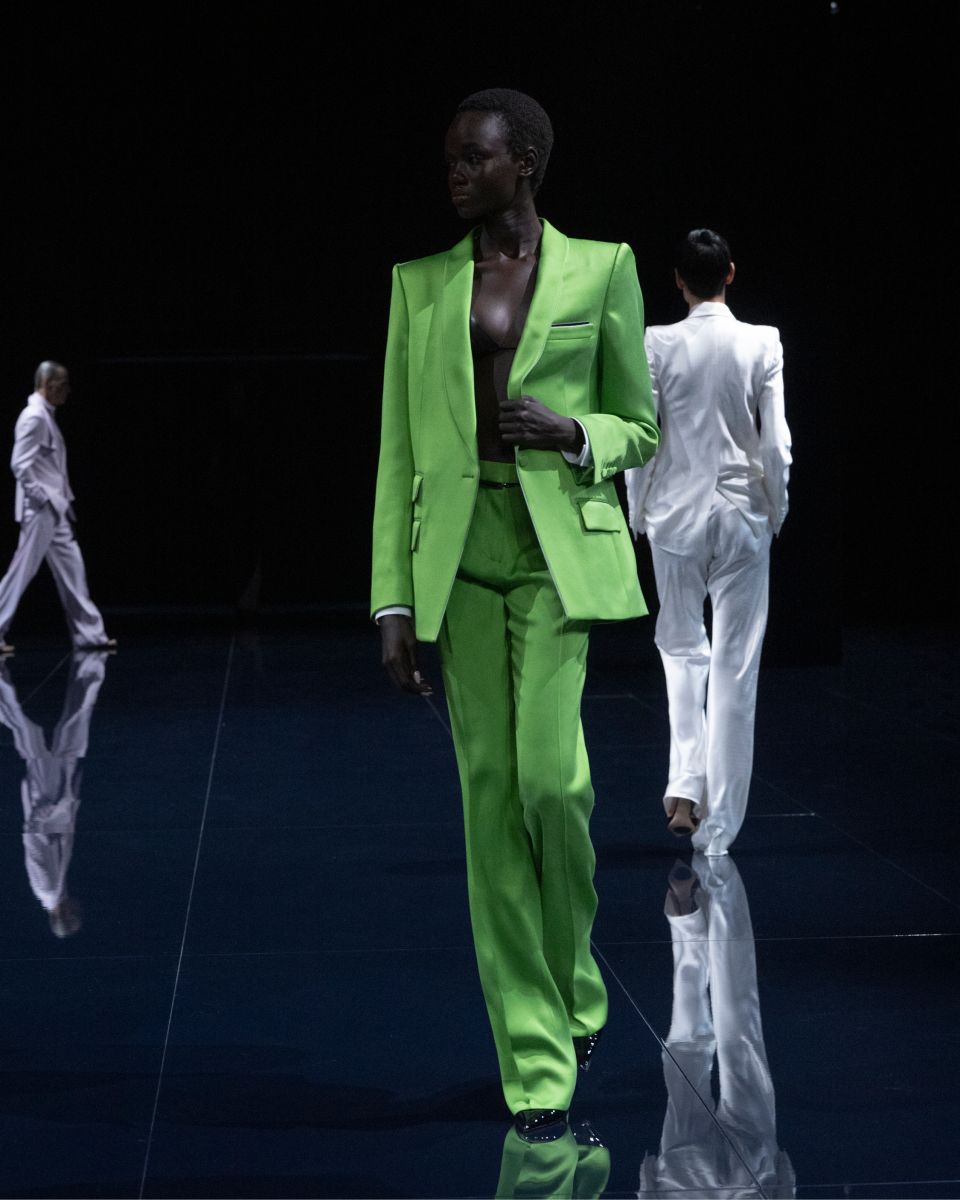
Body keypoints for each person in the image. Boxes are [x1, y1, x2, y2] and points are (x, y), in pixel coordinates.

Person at [371, 89, 658, 1140]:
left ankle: (574, 972)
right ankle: (536, 1057)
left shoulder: (604, 268)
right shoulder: (419, 284)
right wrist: (393, 599)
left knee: (552, 786)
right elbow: (398, 452)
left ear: (523, 161)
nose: (454, 172)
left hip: (555, 559)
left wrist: (576, 432)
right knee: (488, 801)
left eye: (472, 157)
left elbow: (640, 424)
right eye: (449, 158)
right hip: (459, 560)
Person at [626, 230, 791, 856]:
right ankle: (717, 829)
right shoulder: (763, 341)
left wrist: (638, 509)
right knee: (734, 667)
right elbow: (776, 443)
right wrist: (776, 508)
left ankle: (684, 784)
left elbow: (643, 437)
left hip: (675, 516)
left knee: (680, 650)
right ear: (730, 273)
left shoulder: (657, 342)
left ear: (678, 281)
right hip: (742, 516)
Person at [0, 362, 116, 654]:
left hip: (54, 509)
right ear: (49, 384)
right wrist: (42, 498)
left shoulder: (44, 416)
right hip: (41, 510)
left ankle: (90, 635)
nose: (67, 390)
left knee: (73, 569)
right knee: (20, 573)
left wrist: (58, 501)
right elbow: (19, 464)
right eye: (63, 384)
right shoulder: (34, 417)